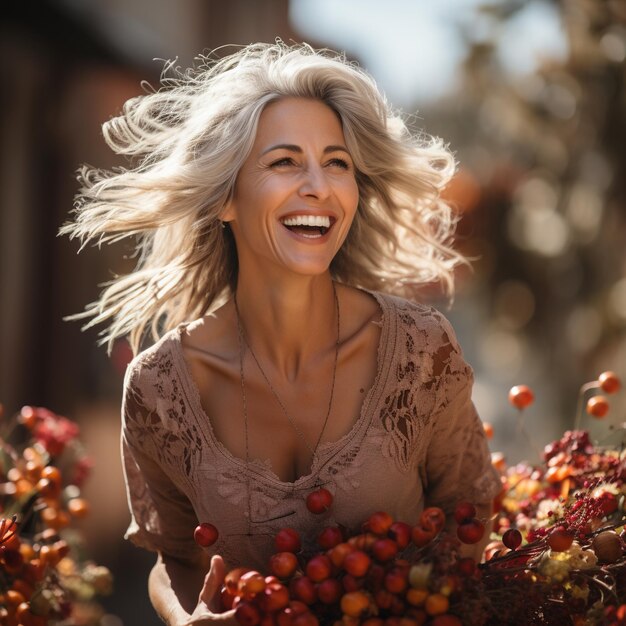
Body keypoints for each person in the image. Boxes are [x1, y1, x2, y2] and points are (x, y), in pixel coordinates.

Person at [61, 42, 501, 626]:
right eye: (285, 161)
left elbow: (471, 518)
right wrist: (185, 619)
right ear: (224, 199)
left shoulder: (421, 350)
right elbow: (176, 561)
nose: (319, 185)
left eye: (337, 163)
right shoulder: (160, 389)